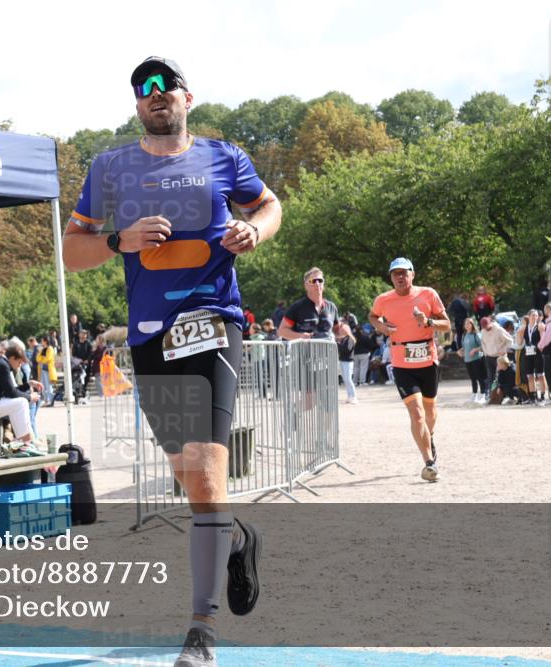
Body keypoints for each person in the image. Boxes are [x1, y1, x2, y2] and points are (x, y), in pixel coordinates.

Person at [61, 55, 281, 666]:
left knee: (207, 474)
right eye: (144, 88)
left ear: (189, 97)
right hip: (150, 337)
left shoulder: (223, 157)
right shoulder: (110, 168)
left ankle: (200, 632)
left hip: (212, 324)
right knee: (190, 480)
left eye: (166, 85)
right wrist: (116, 241)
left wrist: (254, 232)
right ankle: (236, 537)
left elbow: (270, 206)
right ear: (137, 104)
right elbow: (71, 250)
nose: (155, 94)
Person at [368, 258, 451, 482]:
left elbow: (447, 324)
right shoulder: (383, 299)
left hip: (427, 360)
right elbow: (372, 316)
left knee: (430, 412)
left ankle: (429, 436)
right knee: (416, 413)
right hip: (402, 362)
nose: (400, 277)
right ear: (391, 277)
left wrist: (429, 322)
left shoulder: (428, 294)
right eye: (395, 274)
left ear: (412, 274)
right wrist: (382, 327)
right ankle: (429, 463)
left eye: (404, 273)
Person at [277, 267, 339, 341]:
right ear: (306, 286)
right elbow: (281, 331)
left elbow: (337, 330)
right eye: (313, 281)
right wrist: (300, 336)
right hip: (304, 352)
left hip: (327, 352)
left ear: (323, 284)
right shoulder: (297, 307)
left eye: (320, 280)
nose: (317, 283)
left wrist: (347, 332)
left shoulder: (331, 307)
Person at [520, 309, 546, 404]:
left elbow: (543, 340)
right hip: (528, 354)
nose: (534, 317)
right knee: (530, 376)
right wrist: (519, 331)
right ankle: (533, 397)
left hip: (538, 354)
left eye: (536, 315)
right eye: (532, 315)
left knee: (540, 376)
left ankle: (542, 397)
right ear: (528, 317)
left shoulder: (539, 326)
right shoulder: (524, 328)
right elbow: (519, 342)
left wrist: (538, 347)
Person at [460, 317, 487, 403]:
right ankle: (474, 395)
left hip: (477, 360)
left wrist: (475, 350)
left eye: (469, 323)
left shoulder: (476, 335)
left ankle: (483, 395)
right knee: (472, 379)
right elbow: (464, 348)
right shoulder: (464, 336)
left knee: (480, 378)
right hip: (467, 360)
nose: (467, 325)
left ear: (472, 324)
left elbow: (483, 347)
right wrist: (461, 352)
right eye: (466, 324)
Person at [335, 321, 357, 404]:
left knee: (348, 379)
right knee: (345, 379)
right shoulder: (344, 339)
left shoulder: (350, 339)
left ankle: (354, 396)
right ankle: (349, 396)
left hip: (348, 361)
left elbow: (347, 349)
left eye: (342, 329)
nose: (340, 331)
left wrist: (337, 344)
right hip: (342, 360)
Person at [35, 335, 58, 407]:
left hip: (48, 370)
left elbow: (48, 359)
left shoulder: (50, 348)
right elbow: (37, 359)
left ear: (45, 341)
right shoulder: (42, 349)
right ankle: (46, 400)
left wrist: (42, 359)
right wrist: (41, 357)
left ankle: (50, 400)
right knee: (43, 386)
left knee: (48, 386)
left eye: (42, 340)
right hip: (42, 370)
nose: (41, 342)